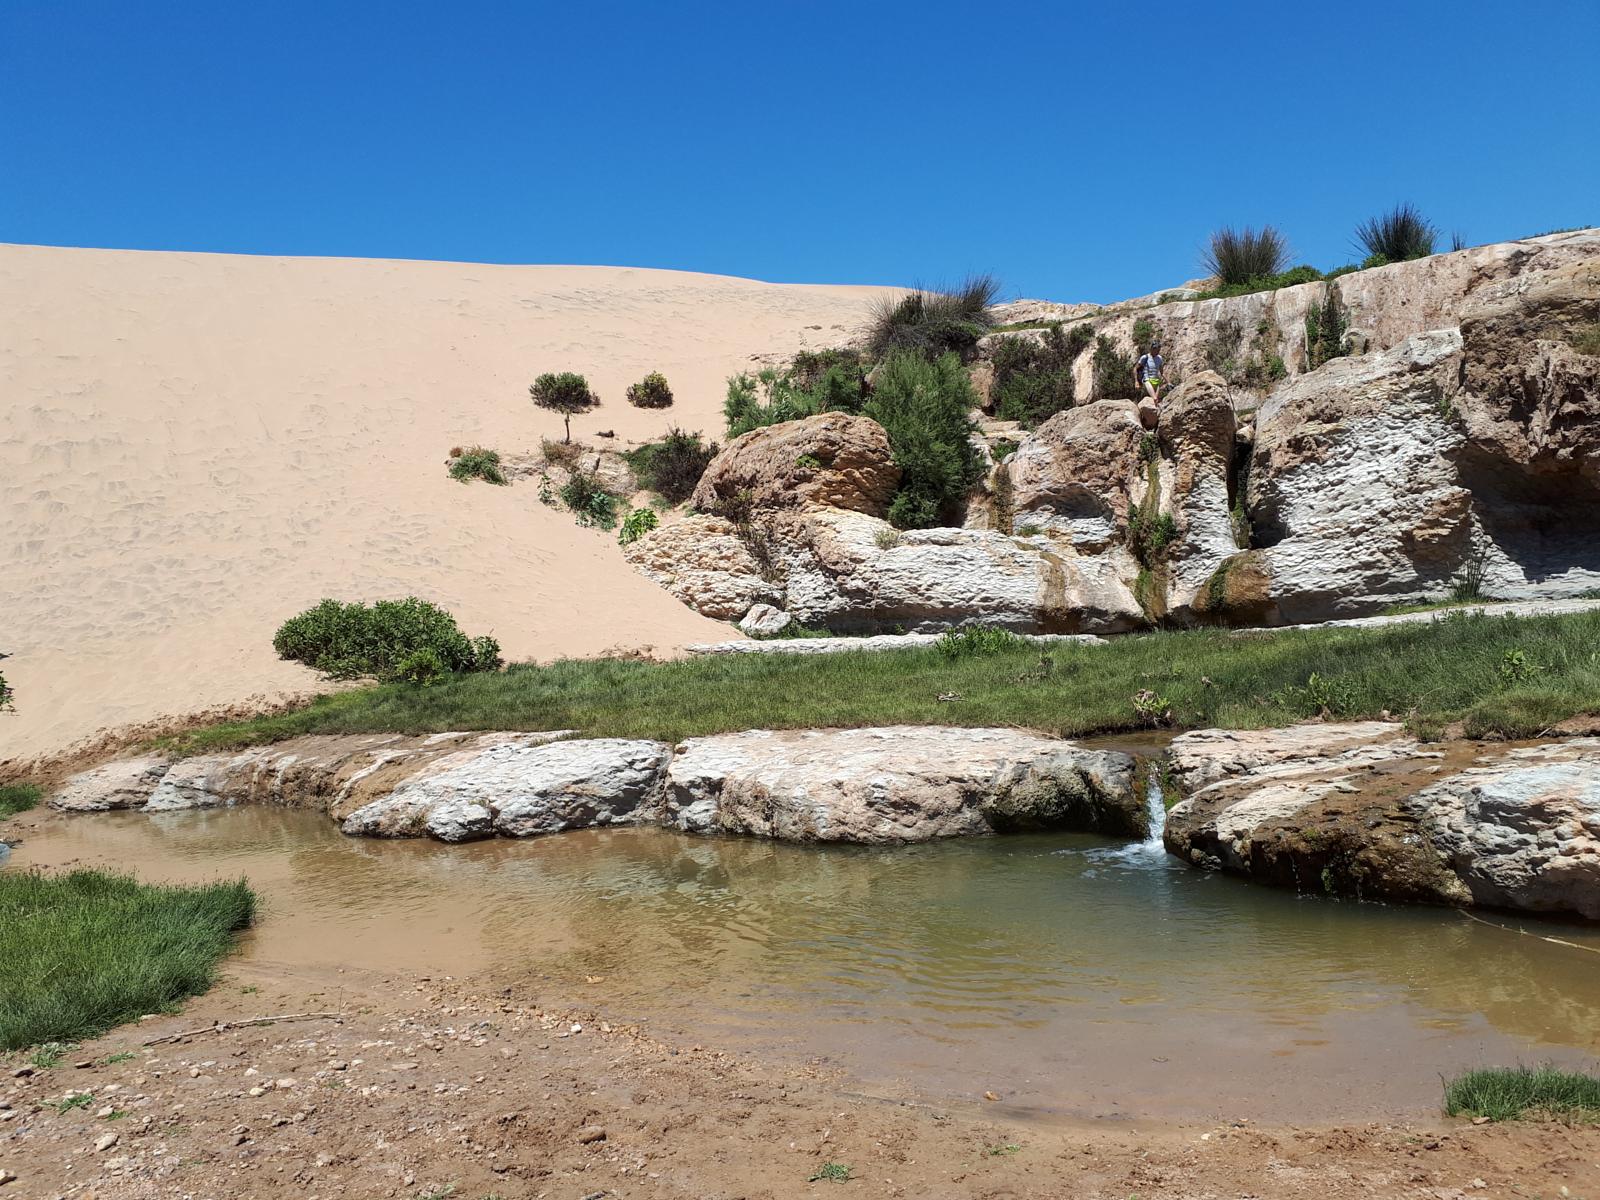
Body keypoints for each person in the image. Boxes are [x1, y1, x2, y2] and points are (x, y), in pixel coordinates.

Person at [1134, 339, 1166, 429]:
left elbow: (1162, 372)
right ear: (1152, 349)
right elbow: (1136, 369)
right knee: (1155, 399)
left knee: (1156, 402)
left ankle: (1152, 426)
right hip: (1147, 380)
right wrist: (1136, 381)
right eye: (1156, 349)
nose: (1157, 351)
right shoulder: (1145, 357)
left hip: (1156, 380)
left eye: (1158, 349)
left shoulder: (1159, 358)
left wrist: (1168, 382)